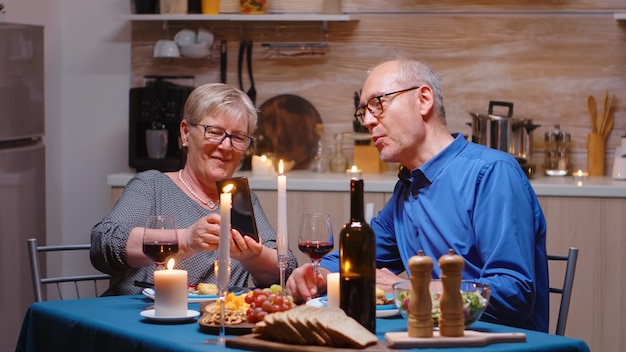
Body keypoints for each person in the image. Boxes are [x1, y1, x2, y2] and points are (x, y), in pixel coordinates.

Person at [285, 57, 549, 332]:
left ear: (423, 100)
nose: (367, 121)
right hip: (428, 338)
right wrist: (319, 274)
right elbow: (358, 257)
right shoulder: (408, 189)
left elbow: (513, 294)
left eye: (378, 103)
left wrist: (411, 288)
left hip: (497, 343)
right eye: (363, 111)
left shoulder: (492, 173)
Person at [91, 83, 298, 296]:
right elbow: (104, 243)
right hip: (142, 318)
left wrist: (252, 256)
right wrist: (187, 240)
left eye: (237, 138)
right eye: (215, 132)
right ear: (185, 133)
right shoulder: (152, 185)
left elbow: (286, 267)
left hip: (216, 322)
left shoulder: (241, 199)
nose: (226, 146)